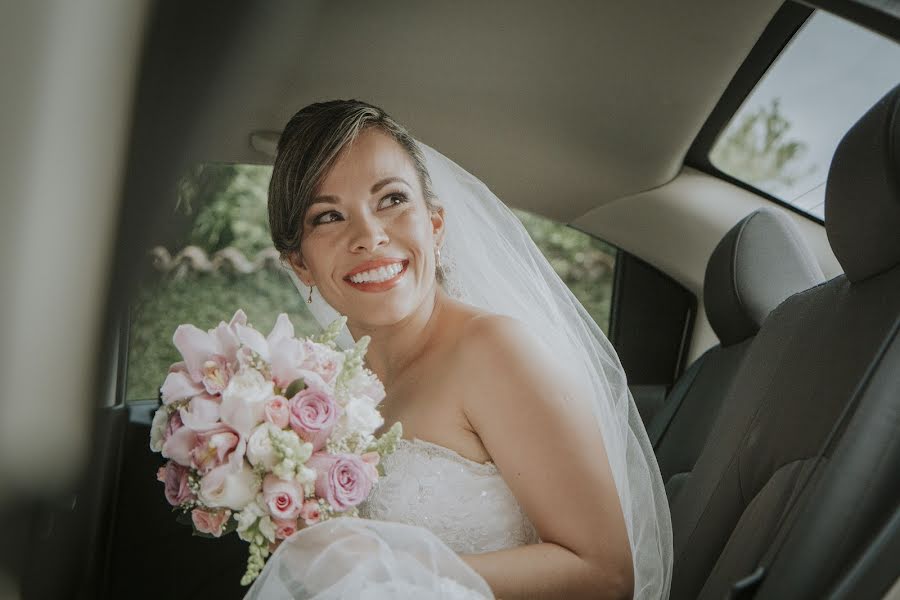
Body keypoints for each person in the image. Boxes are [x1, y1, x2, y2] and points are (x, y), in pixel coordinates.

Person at [248, 99, 672, 599]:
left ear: (436, 225)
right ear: (300, 266)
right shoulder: (334, 393)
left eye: (390, 200)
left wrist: (395, 564)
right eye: (329, 216)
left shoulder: (494, 351)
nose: (369, 236)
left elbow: (606, 573)